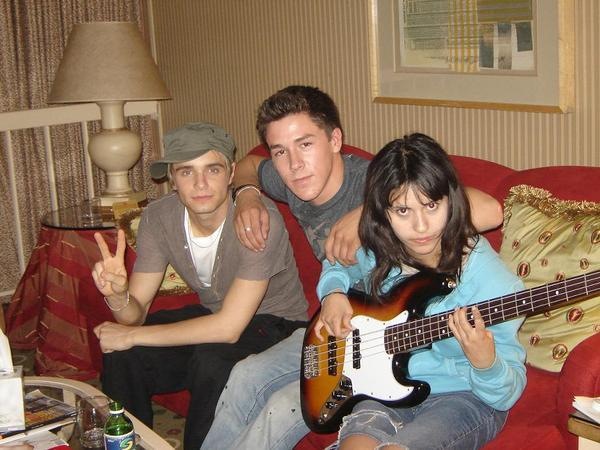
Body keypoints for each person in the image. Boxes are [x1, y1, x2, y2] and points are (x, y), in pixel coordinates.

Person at [202, 86, 505, 450]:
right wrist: (247, 195)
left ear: (335, 140)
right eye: (280, 151)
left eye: (305, 144)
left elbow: (488, 210)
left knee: (284, 406)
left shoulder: (373, 183)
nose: (294, 164)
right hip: (334, 324)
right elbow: (248, 165)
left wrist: (369, 212)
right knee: (245, 374)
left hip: (383, 341)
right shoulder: (290, 178)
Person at [91, 122, 308, 450]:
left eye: (212, 169)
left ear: (231, 173)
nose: (201, 183)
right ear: (171, 178)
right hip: (216, 314)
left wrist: (131, 335)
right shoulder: (159, 217)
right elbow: (134, 316)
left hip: (278, 326)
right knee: (124, 354)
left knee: (212, 361)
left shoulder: (258, 220)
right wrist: (119, 297)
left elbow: (228, 329)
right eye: (186, 171)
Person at [315, 133, 526, 449]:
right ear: (383, 212)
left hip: (464, 397)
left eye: (431, 205)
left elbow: (506, 394)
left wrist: (486, 362)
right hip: (385, 390)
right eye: (403, 211)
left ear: (451, 200)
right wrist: (333, 293)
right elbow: (337, 264)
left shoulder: (493, 282)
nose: (421, 226)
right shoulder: (383, 249)